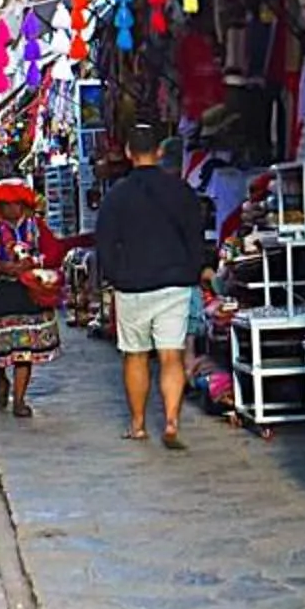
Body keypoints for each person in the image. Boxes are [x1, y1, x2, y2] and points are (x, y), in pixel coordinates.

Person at [93, 123, 213, 449]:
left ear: (129, 152)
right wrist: (191, 271)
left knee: (135, 355)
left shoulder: (117, 195)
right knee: (171, 355)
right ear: (159, 151)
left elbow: (104, 242)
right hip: (174, 284)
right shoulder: (181, 191)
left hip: (133, 285)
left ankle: (138, 424)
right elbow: (195, 237)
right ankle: (172, 422)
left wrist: (116, 276)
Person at [0, 179, 59, 419]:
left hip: (28, 294)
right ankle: (1, 381)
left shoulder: (36, 226)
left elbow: (54, 251)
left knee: (24, 350)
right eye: (7, 204)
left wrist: (34, 262)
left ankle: (20, 399)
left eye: (17, 203)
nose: (12, 209)